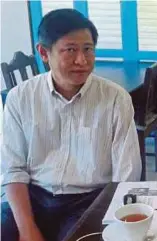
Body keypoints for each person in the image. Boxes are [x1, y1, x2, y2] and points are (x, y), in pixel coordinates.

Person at [1, 9, 141, 241]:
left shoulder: (116, 99)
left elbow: (126, 175)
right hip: (34, 196)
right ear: (44, 53)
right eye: (70, 50)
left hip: (90, 199)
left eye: (88, 49)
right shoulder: (20, 98)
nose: (82, 60)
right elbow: (13, 170)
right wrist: (27, 229)